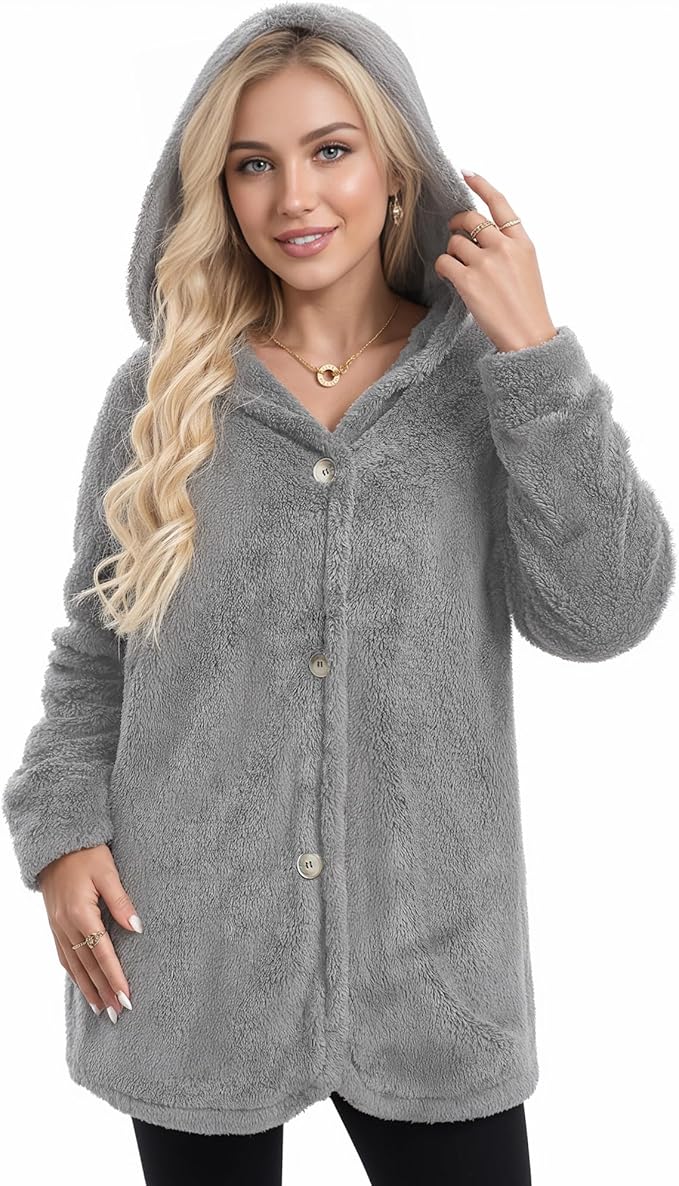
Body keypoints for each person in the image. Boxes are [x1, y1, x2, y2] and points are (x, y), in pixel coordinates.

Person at [3, 3, 675, 1183]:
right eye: (252, 164)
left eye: (330, 150)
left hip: (435, 971)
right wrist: (60, 834)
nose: (293, 197)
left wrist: (536, 357)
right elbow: (93, 649)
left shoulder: (486, 383)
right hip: (190, 954)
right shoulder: (160, 395)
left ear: (396, 170)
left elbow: (604, 613)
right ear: (217, 189)